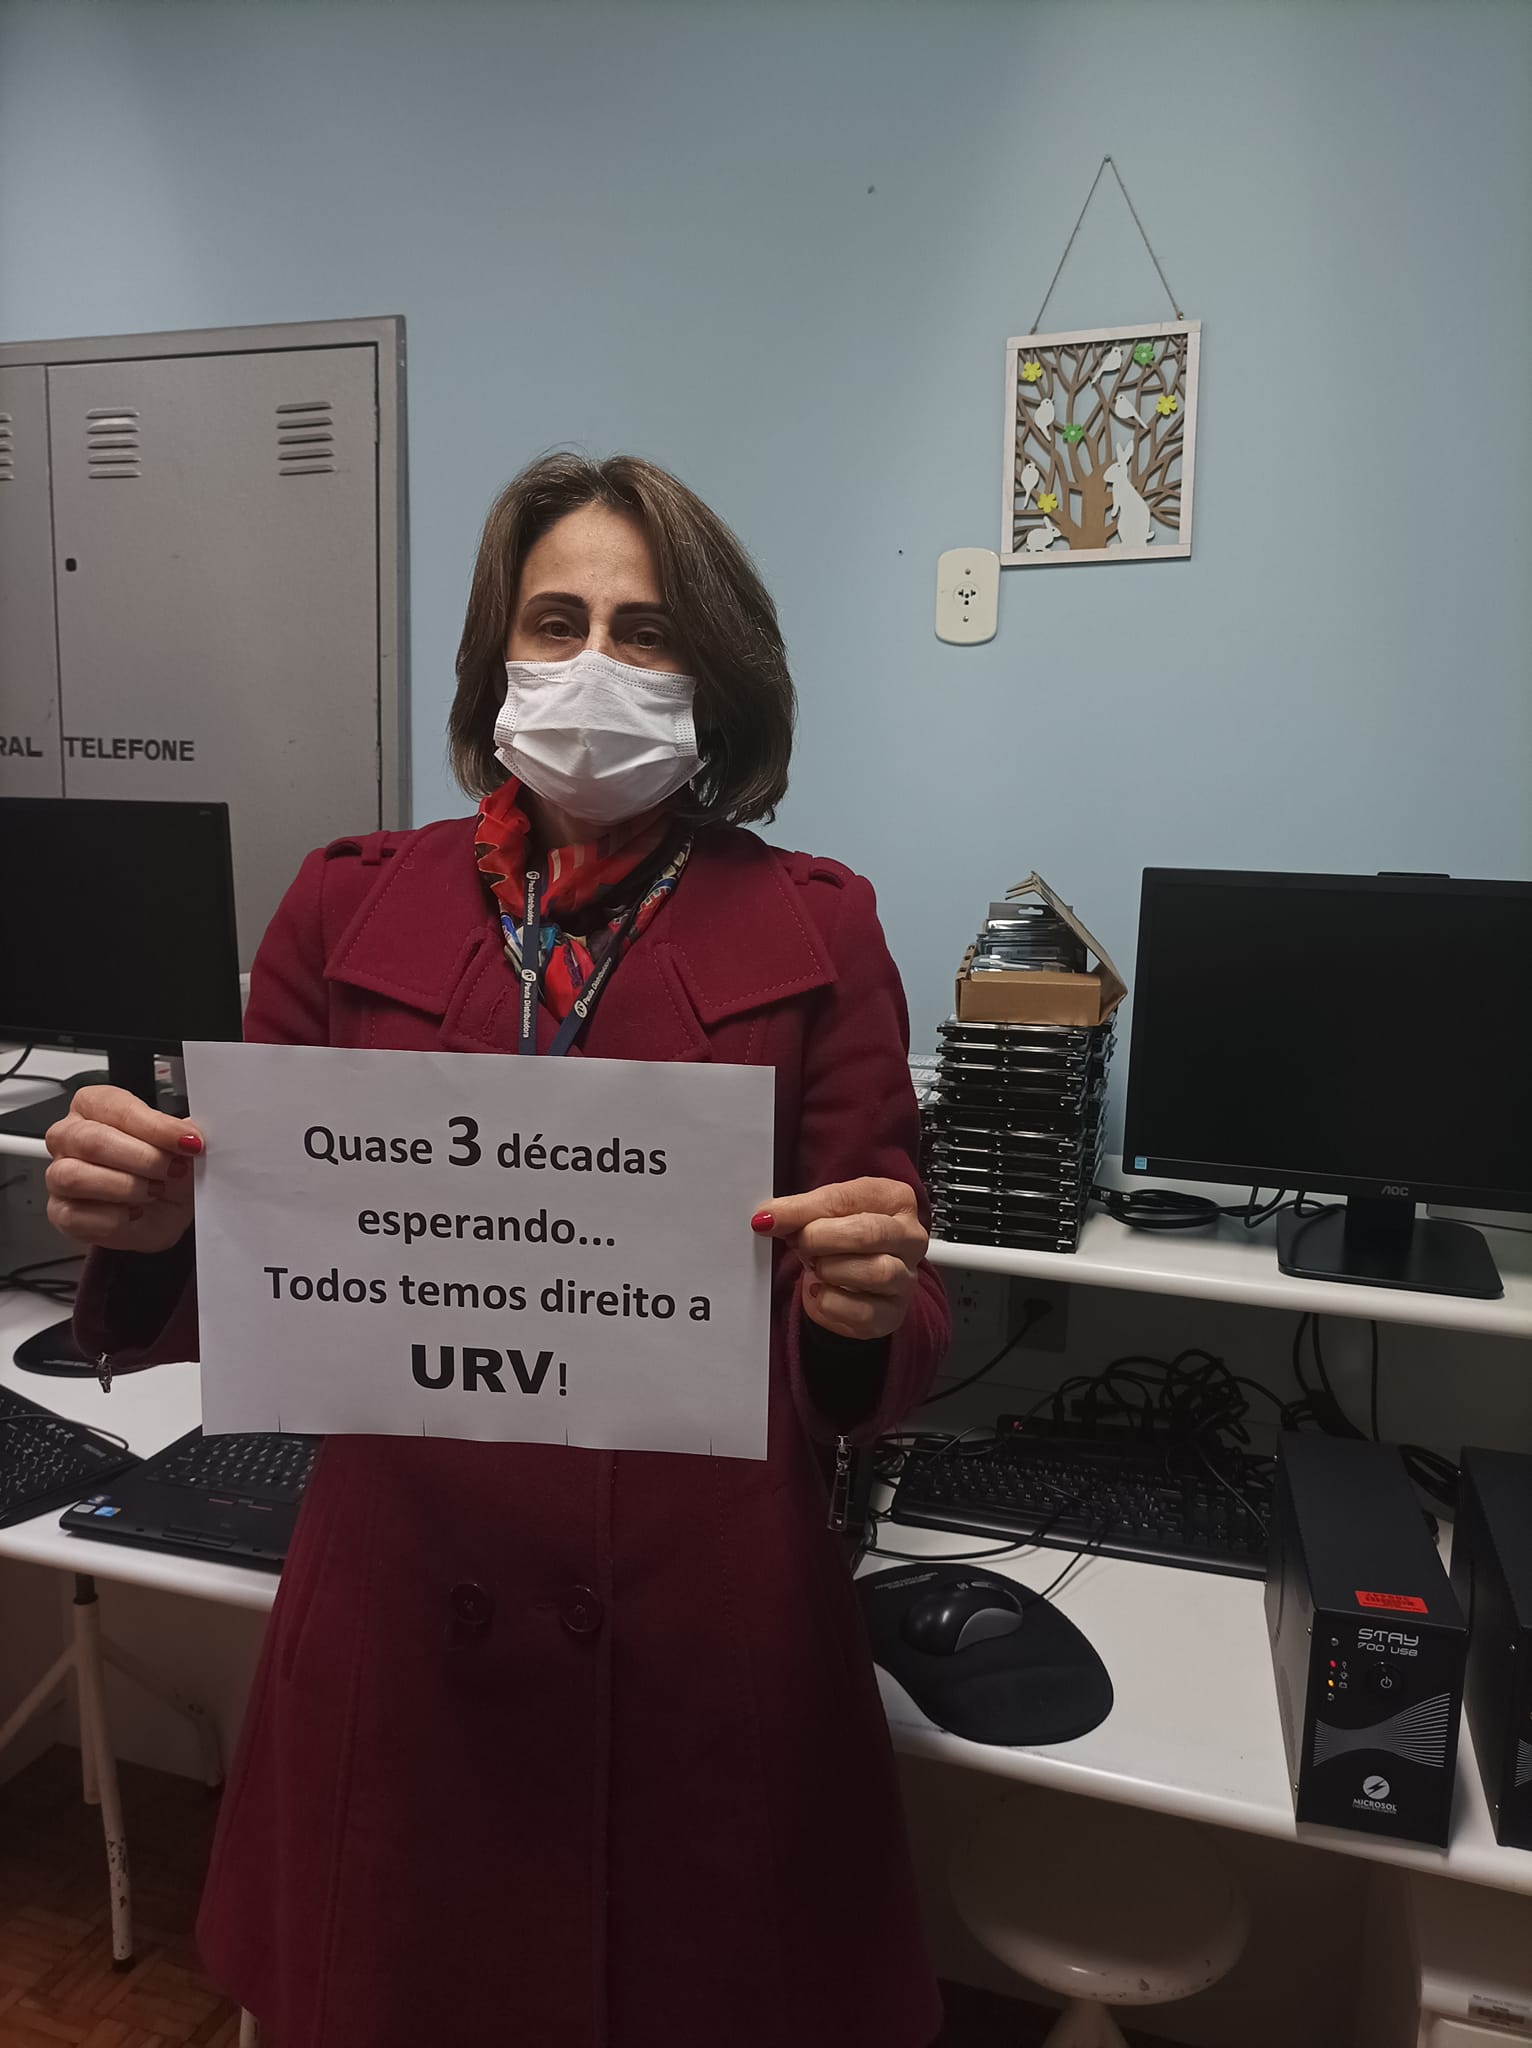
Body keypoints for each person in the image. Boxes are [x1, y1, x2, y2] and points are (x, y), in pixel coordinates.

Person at [46, 452, 951, 2048]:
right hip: (405, 1616)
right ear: (497, 658)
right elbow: (260, 1257)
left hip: (703, 1625)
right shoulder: (345, 907)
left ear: (714, 676)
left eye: (646, 631)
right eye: (556, 621)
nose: (596, 662)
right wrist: (161, 1220)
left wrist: (861, 1303)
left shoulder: (818, 927)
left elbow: (889, 1303)